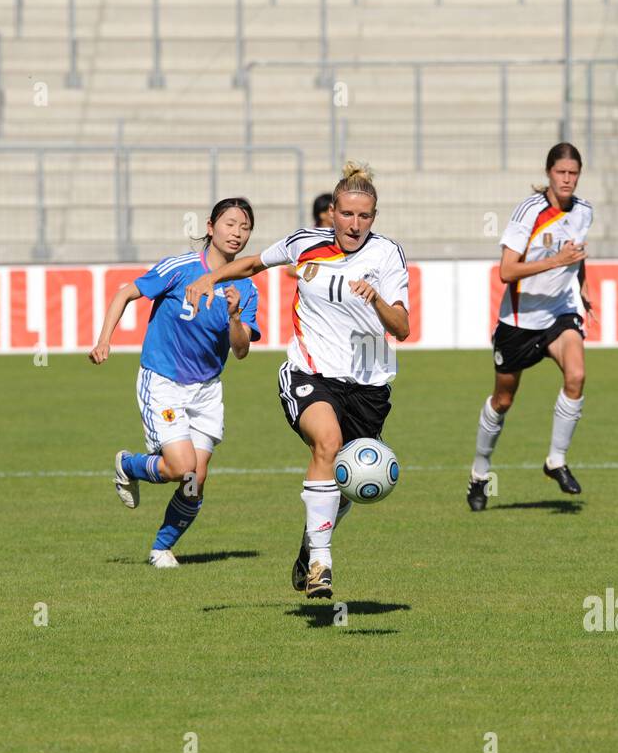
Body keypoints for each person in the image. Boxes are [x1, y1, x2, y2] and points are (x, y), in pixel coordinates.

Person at [184, 162, 410, 599]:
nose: (355, 224)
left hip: (369, 385)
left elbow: (401, 327)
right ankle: (322, 565)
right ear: (333, 212)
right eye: (347, 214)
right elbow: (252, 263)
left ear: (374, 218)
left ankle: (311, 546)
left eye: (364, 216)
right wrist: (210, 276)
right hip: (310, 373)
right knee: (326, 443)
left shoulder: (387, 254)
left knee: (345, 485)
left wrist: (377, 300)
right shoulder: (305, 243)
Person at [90, 198, 261, 568]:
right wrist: (105, 339)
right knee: (180, 467)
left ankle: (160, 548)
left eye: (245, 227)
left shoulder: (245, 289)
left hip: (207, 390)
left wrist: (233, 317)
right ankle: (130, 465)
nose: (237, 233)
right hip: (164, 380)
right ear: (211, 227)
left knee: (194, 480)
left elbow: (242, 350)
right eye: (230, 224)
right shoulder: (180, 268)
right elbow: (126, 293)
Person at [466, 142, 592, 511]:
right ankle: (479, 473)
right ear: (548, 173)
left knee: (577, 375)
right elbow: (507, 271)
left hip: (559, 314)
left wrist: (582, 285)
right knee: (503, 400)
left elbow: (577, 251)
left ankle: (556, 460)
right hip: (519, 322)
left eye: (573, 174)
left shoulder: (584, 211)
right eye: (561, 173)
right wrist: (557, 261)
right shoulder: (529, 212)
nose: (567, 179)